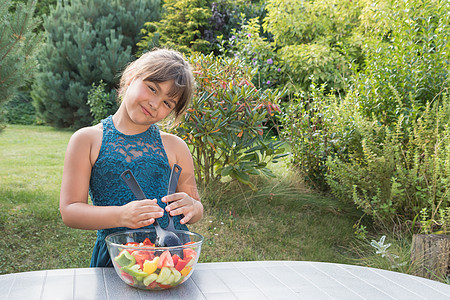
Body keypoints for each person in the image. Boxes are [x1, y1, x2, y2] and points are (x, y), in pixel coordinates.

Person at [59, 48, 203, 267]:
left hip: (173, 258)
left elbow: (196, 208)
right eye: (152, 89)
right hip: (119, 261)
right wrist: (121, 216)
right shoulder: (87, 140)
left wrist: (191, 207)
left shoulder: (176, 147)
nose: (155, 104)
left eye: (167, 103)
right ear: (131, 76)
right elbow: (70, 211)